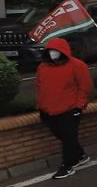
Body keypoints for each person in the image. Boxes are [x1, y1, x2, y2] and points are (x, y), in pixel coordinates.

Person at [35, 38, 93, 179]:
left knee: (68, 138)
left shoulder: (78, 66)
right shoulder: (42, 67)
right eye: (50, 51)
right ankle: (80, 155)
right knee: (63, 136)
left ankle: (67, 165)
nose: (53, 53)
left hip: (70, 109)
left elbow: (85, 87)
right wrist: (40, 105)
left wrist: (79, 105)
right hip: (48, 110)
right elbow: (39, 86)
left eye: (56, 51)